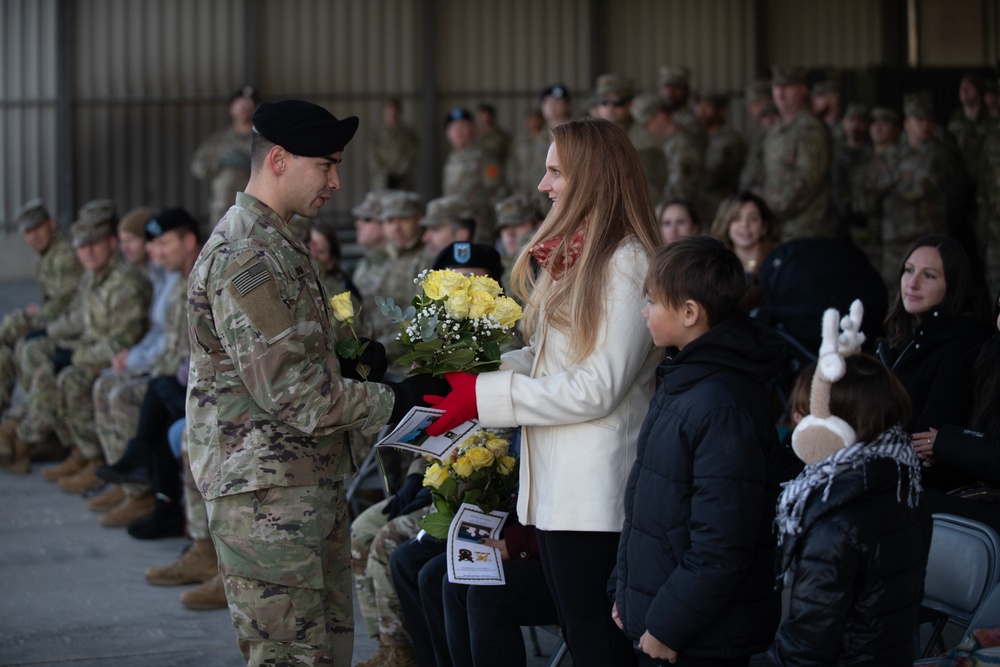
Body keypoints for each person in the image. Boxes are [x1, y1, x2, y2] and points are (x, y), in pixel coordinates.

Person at [185, 99, 444, 666]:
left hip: (300, 486)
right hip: (267, 500)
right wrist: (395, 399)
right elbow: (294, 393)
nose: (336, 180)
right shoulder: (246, 254)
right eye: (325, 165)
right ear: (279, 159)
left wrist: (353, 362)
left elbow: (294, 361)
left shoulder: (279, 243)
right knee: (293, 657)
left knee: (323, 653)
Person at [422, 117, 662, 666]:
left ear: (592, 177)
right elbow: (546, 359)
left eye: (555, 171)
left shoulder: (625, 262)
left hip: (595, 494)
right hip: (558, 490)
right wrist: (469, 373)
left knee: (598, 643)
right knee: (582, 637)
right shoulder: (581, 253)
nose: (543, 185)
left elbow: (598, 386)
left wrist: (484, 399)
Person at [611, 236, 784, 667]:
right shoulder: (685, 378)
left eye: (653, 301)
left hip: (697, 636)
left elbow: (722, 543)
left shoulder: (723, 404)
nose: (644, 311)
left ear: (690, 313)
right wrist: (624, 591)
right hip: (663, 618)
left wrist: (669, 626)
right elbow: (648, 508)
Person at [763, 334, 928, 666]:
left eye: (808, 415)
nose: (800, 425)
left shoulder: (834, 523)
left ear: (837, 427)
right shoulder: (901, 481)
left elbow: (806, 646)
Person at [5, 200, 151, 481]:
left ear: (111, 243)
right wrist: (52, 336)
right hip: (94, 348)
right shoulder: (92, 277)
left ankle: (89, 454)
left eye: (94, 244)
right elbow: (80, 321)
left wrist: (74, 356)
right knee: (44, 362)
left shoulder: (124, 283)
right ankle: (66, 445)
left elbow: (120, 342)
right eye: (82, 247)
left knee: (69, 378)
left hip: (123, 356)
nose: (88, 252)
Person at [878, 235, 993, 491]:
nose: (913, 283)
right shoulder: (902, 337)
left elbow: (925, 440)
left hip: (916, 486)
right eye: (909, 270)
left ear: (952, 286)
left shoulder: (960, 346)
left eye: (929, 276)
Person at [912, 288, 1000, 532]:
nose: (914, 283)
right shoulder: (990, 354)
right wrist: (942, 456)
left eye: (929, 276)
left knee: (906, 502)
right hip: (977, 495)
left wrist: (946, 443)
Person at [0, 199, 82, 429]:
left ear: (52, 223)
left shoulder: (64, 255)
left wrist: (33, 319)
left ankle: (28, 419)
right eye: (28, 232)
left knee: (16, 333)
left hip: (73, 326)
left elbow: (65, 303)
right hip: (60, 320)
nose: (34, 236)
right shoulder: (48, 254)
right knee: (9, 346)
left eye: (38, 228)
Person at [762, 66, 833, 240]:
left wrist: (769, 208)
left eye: (787, 87)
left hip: (804, 228)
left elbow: (807, 181)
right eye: (776, 87)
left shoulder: (810, 129)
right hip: (777, 226)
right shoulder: (776, 129)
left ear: (803, 89)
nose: (780, 93)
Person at [190, 85, 259, 232]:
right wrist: (220, 163)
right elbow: (198, 167)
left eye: (249, 102)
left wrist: (251, 164)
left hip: (256, 206)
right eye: (240, 102)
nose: (245, 106)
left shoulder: (262, 139)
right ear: (231, 107)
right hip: (223, 208)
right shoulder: (219, 140)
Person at [710, 191, 781, 311]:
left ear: (764, 227)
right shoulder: (714, 265)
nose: (744, 225)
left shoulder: (780, 262)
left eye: (753, 219)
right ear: (726, 224)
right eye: (737, 218)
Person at [367, 98, 420, 191]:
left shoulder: (408, 135)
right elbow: (373, 158)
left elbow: (411, 156)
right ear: (384, 113)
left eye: (395, 113)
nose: (392, 116)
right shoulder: (375, 136)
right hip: (381, 185)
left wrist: (398, 172)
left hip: (403, 184)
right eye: (389, 112)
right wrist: (386, 173)